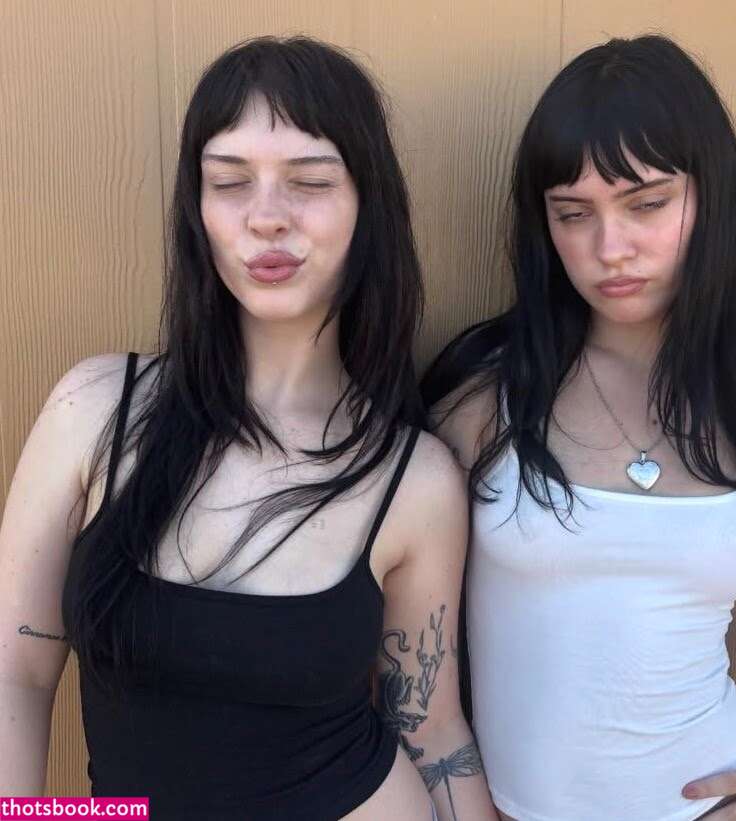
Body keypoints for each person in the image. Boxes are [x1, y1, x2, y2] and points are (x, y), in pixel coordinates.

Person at [0, 36, 498, 821]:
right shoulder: (94, 411)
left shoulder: (413, 478)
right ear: (196, 210)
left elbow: (430, 730)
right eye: (230, 182)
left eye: (310, 182)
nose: (267, 217)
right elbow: (16, 671)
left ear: (365, 207)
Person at [423, 35, 736, 821]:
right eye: (571, 213)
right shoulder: (483, 401)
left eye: (646, 203)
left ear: (709, 199)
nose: (609, 248)